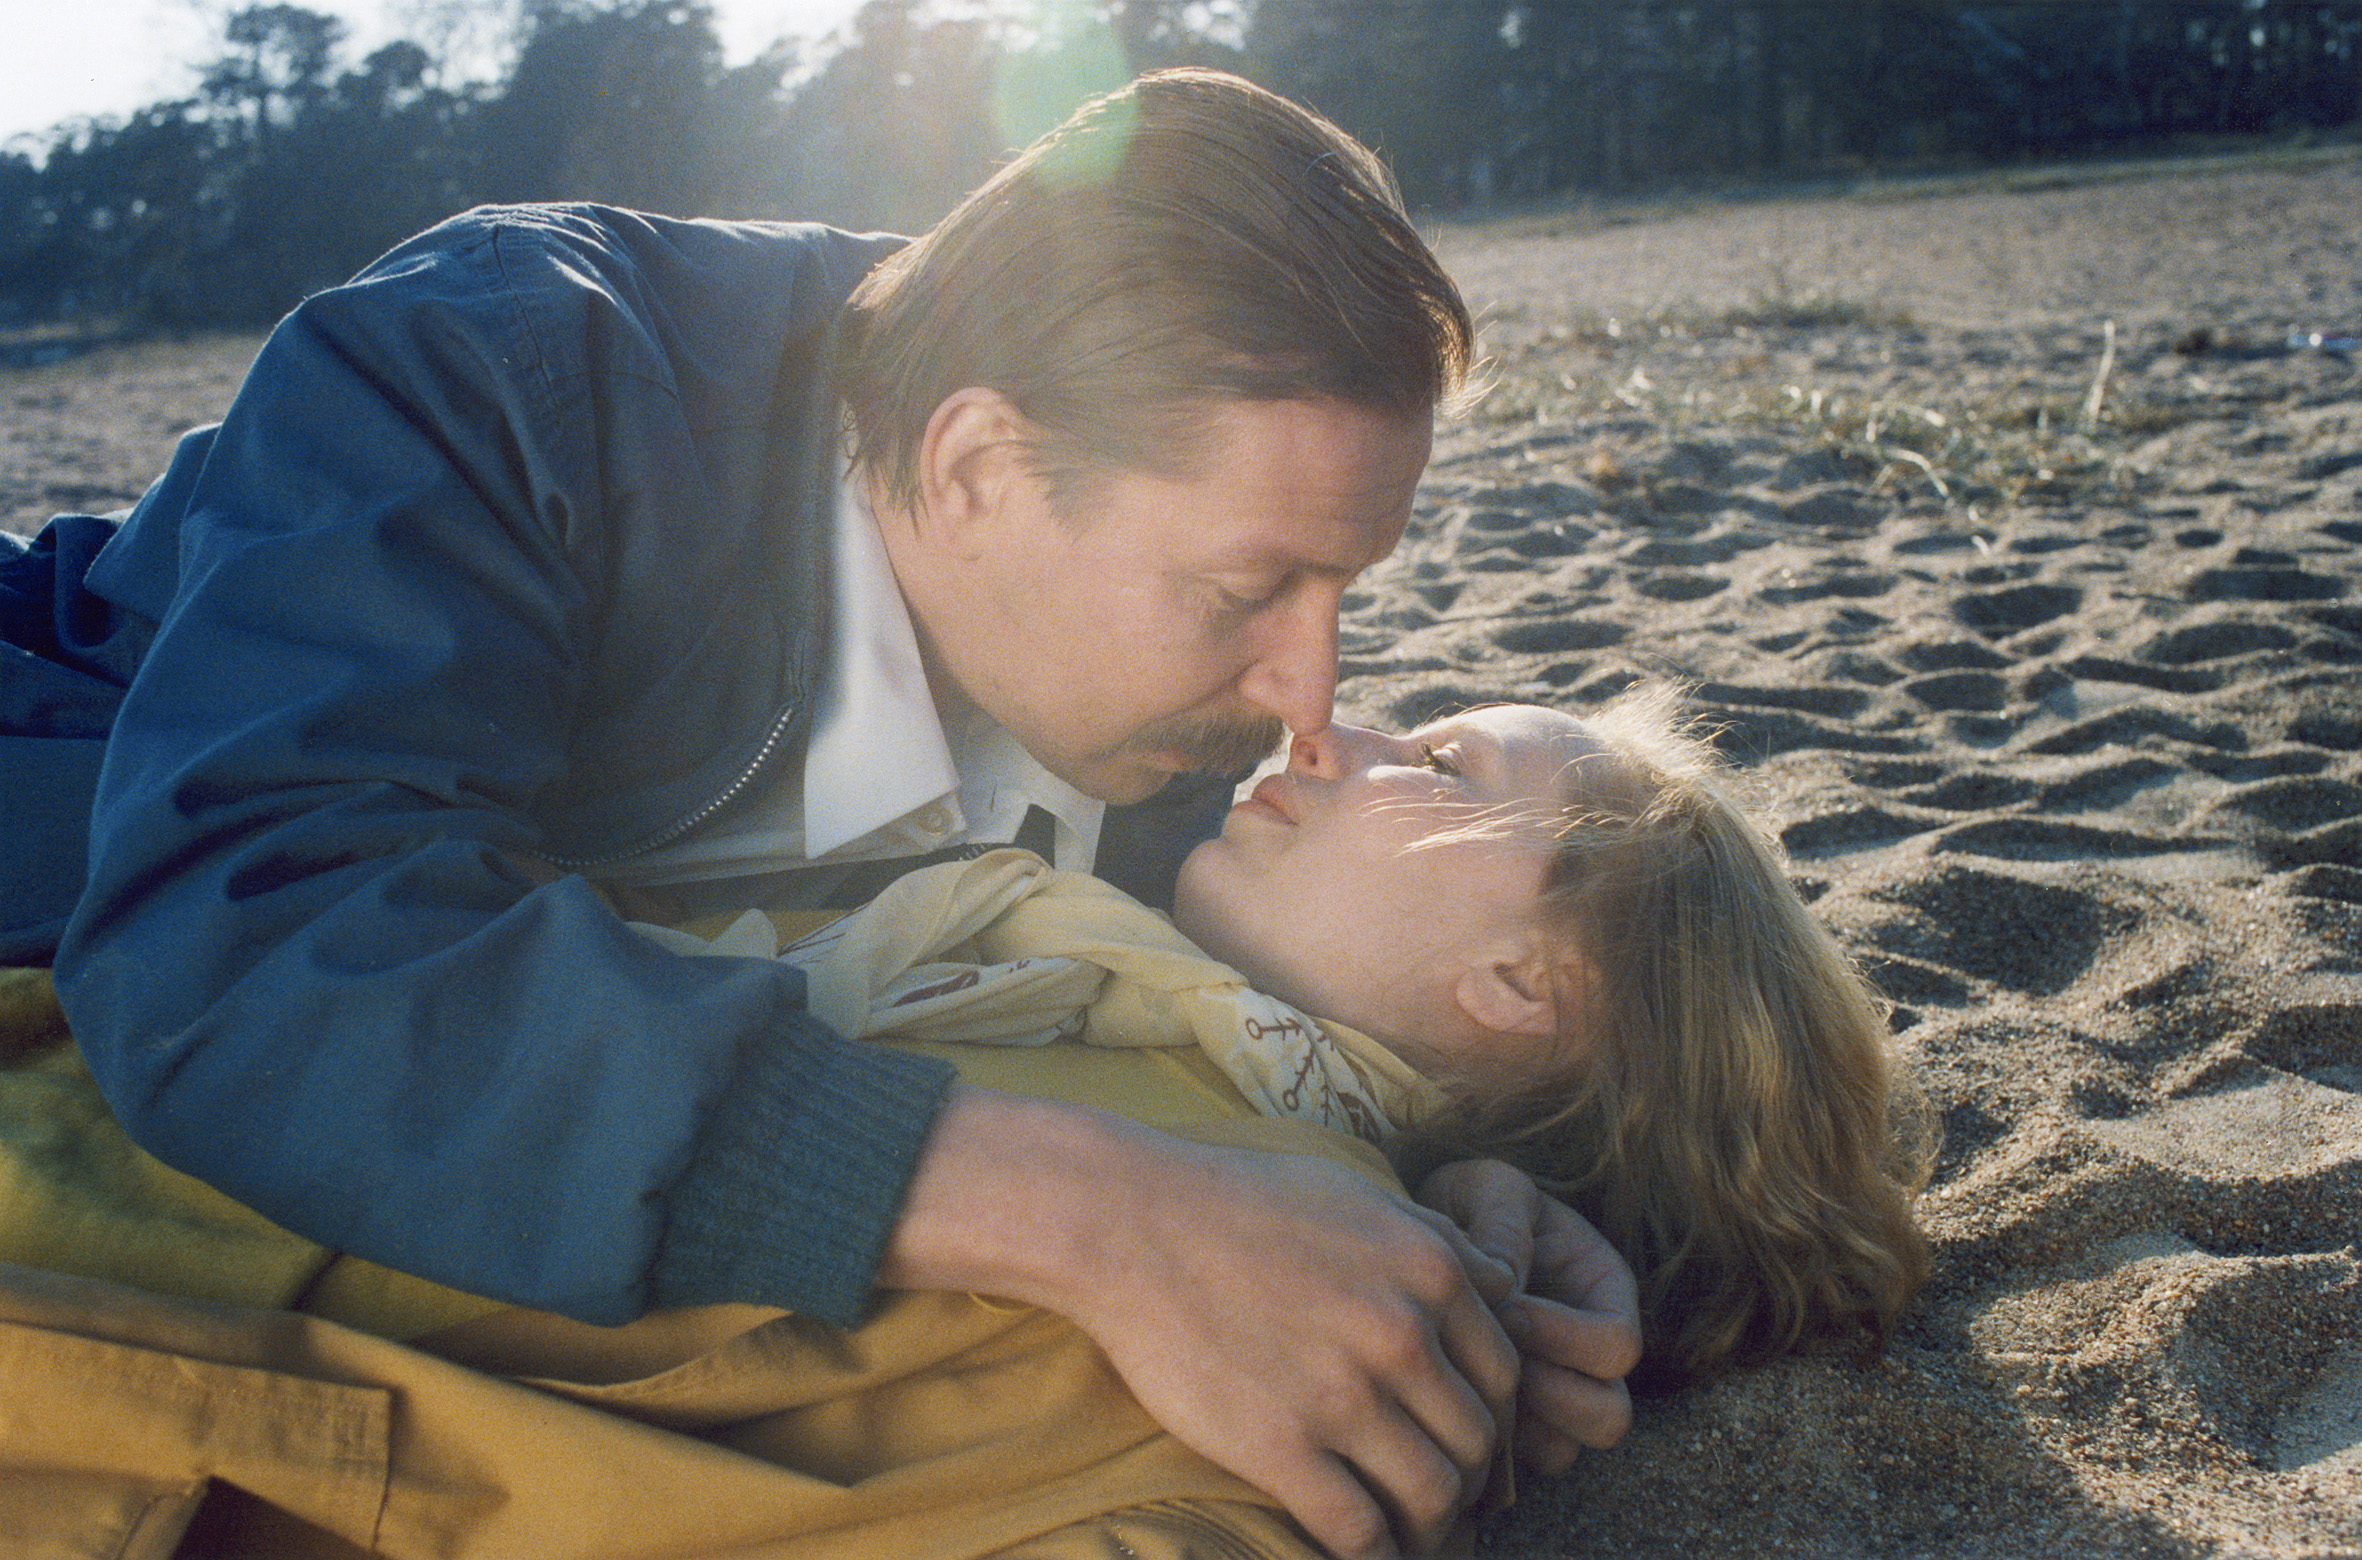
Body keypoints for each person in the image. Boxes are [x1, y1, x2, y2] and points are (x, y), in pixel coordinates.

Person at [0, 67, 1636, 1557]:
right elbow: (253, 947)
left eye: (1346, 589)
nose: (1308, 694)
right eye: (1244, 590)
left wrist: (1457, 1173)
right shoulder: (509, 363)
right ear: (976, 469)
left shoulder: (1165, 685)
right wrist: (1091, 1214)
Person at [0, 688, 1920, 1559]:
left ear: (1527, 985)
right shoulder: (1132, 994)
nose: (1327, 729)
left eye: (1436, 759)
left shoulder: (1274, 1308)